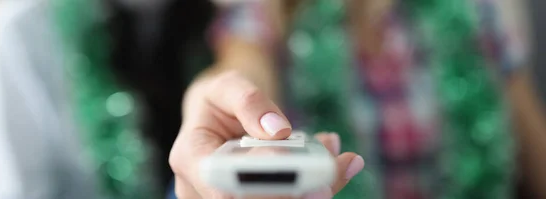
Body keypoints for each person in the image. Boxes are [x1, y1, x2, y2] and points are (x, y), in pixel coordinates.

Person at [169, 0, 546, 198]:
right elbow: (241, 65)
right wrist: (211, 97)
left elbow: (536, 151)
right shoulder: (265, 12)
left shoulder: (469, 10)